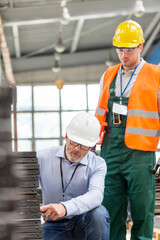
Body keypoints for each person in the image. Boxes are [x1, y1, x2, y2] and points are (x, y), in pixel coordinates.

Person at [95, 20, 160, 240]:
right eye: (120, 49)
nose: (124, 55)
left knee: (142, 211)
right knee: (111, 209)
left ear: (140, 47)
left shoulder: (156, 75)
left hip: (141, 154)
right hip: (110, 150)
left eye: (129, 50)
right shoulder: (109, 74)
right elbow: (99, 112)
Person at [38, 112, 110, 240]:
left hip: (83, 223)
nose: (77, 149)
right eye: (74, 142)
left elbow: (96, 195)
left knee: (99, 213)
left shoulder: (98, 164)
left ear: (92, 146)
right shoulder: (43, 157)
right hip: (53, 225)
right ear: (66, 136)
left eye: (83, 146)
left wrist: (65, 207)